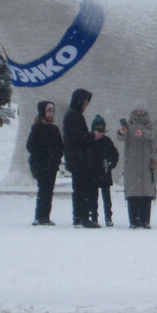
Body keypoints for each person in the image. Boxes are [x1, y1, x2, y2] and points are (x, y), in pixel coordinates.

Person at [62, 88, 98, 227]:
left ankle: (79, 215)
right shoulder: (74, 116)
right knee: (82, 188)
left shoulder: (73, 114)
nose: (86, 105)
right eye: (85, 102)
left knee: (79, 188)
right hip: (79, 158)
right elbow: (77, 137)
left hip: (75, 157)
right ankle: (83, 216)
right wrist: (93, 136)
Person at [119, 108, 157, 228]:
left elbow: (154, 135)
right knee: (133, 194)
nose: (139, 114)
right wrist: (122, 132)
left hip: (146, 165)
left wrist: (144, 133)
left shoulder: (150, 125)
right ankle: (134, 221)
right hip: (133, 166)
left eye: (142, 111)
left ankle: (145, 221)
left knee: (146, 195)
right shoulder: (129, 125)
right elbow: (121, 137)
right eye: (138, 111)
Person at [26, 100, 63, 225]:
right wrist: (43, 154)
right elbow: (31, 146)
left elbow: (60, 146)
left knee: (49, 191)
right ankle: (40, 216)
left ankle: (45, 216)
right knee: (43, 190)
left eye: (53, 110)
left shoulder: (54, 128)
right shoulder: (37, 128)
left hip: (52, 164)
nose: (51, 113)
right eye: (49, 110)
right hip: (41, 164)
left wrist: (56, 157)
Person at [89, 115, 120, 227]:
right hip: (93, 173)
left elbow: (115, 155)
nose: (99, 131)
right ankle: (94, 217)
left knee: (106, 197)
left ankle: (108, 217)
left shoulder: (107, 141)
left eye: (101, 128)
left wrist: (110, 164)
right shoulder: (90, 140)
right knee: (93, 197)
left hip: (104, 173)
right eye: (97, 129)